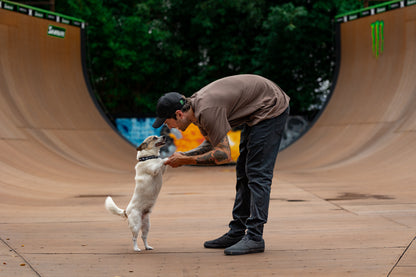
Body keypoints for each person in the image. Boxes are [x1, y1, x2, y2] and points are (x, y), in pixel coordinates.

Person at [152, 74, 290, 255]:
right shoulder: (196, 111)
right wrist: (185, 155)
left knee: (257, 173)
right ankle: (238, 231)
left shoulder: (207, 110)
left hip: (271, 108)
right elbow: (211, 144)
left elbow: (223, 155)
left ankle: (255, 237)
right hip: (257, 109)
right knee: (243, 172)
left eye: (167, 122)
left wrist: (188, 160)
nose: (169, 127)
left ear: (178, 114)